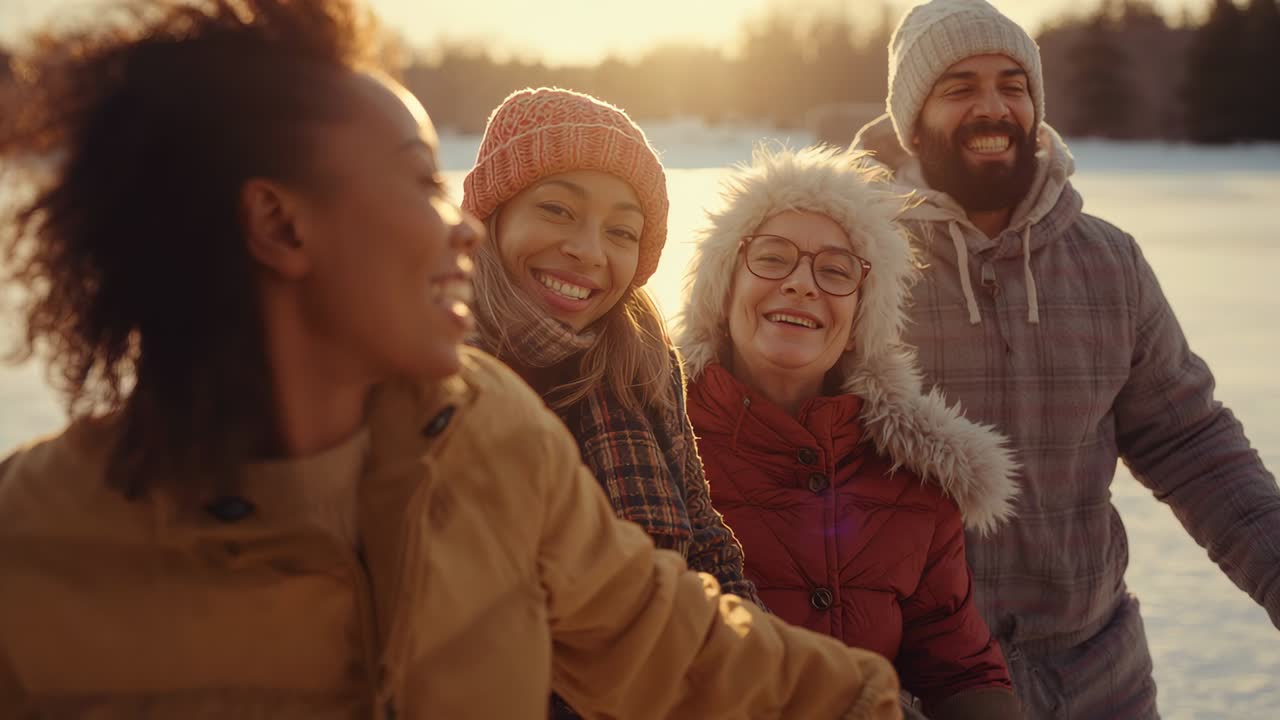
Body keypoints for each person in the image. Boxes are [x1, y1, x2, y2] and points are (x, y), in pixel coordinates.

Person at [0, 2, 909, 718]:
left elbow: (669, 642)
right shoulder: (37, 545)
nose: (455, 224)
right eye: (416, 180)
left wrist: (868, 707)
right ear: (279, 223)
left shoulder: (489, 436)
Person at [850, 0, 1280, 717]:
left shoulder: (1110, 262)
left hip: (1098, 684)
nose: (993, 107)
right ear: (912, 120)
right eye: (959, 88)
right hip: (914, 692)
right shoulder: (849, 259)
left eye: (1013, 84)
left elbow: (1191, 442)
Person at [676, 145, 1022, 720]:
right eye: (772, 257)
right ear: (724, 287)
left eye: (835, 270)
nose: (802, 285)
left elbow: (961, 669)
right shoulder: (653, 442)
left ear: (862, 316)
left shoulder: (912, 478)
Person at [460, 88, 761, 719]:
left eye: (621, 230)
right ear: (492, 214)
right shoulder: (430, 363)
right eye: (557, 210)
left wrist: (759, 680)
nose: (590, 252)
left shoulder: (641, 361)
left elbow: (703, 540)